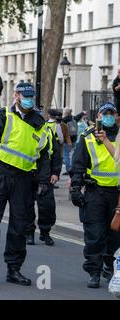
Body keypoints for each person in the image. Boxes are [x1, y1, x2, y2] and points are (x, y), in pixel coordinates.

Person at [0, 82, 50, 287]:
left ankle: (13, 270)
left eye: (31, 96)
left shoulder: (40, 123)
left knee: (19, 227)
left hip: (24, 179)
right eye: (25, 96)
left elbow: (43, 157)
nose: (29, 99)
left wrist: (43, 181)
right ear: (16, 96)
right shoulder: (3, 115)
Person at [70, 102, 120, 288]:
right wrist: (75, 188)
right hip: (95, 193)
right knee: (95, 235)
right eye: (104, 114)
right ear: (98, 117)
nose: (107, 117)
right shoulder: (87, 137)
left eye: (111, 113)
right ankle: (94, 272)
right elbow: (78, 164)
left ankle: (110, 266)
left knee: (115, 236)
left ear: (116, 116)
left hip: (117, 194)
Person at [25, 108, 62, 246]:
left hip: (45, 174)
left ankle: (45, 232)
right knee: (27, 206)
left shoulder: (48, 130)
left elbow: (56, 154)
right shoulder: (24, 129)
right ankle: (29, 233)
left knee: (47, 206)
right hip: (27, 173)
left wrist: (55, 173)